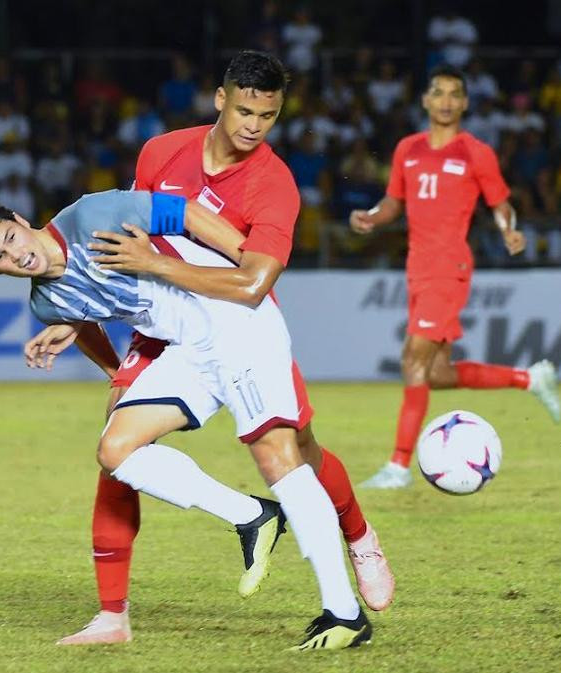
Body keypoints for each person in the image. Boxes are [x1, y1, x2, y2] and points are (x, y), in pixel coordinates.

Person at [63, 50, 393, 646]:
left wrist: (154, 266)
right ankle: (122, 608)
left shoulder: (274, 184)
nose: (252, 126)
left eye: (266, 116)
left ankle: (356, 547)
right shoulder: (162, 152)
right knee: (116, 446)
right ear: (220, 99)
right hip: (169, 330)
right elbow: (128, 239)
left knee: (295, 453)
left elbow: (251, 284)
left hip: (242, 329)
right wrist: (87, 304)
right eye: (243, 110)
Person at [0, 190, 372, 651]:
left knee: (280, 459)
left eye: (11, 238)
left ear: (20, 218)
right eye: (1, 259)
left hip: (236, 322)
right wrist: (113, 369)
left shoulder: (92, 215)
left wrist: (245, 261)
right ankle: (253, 516)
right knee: (114, 450)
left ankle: (345, 615)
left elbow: (184, 212)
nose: (17, 255)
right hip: (187, 352)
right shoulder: (45, 304)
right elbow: (82, 315)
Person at [349, 65, 561, 490]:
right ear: (426, 100)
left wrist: (508, 230)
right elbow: (394, 203)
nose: (446, 101)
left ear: (464, 103)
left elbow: (500, 203)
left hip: (450, 268)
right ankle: (530, 379)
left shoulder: (475, 152)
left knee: (412, 359)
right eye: (438, 93)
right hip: (417, 269)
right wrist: (371, 217)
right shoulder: (407, 148)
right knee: (436, 373)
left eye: (454, 94)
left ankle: (397, 466)